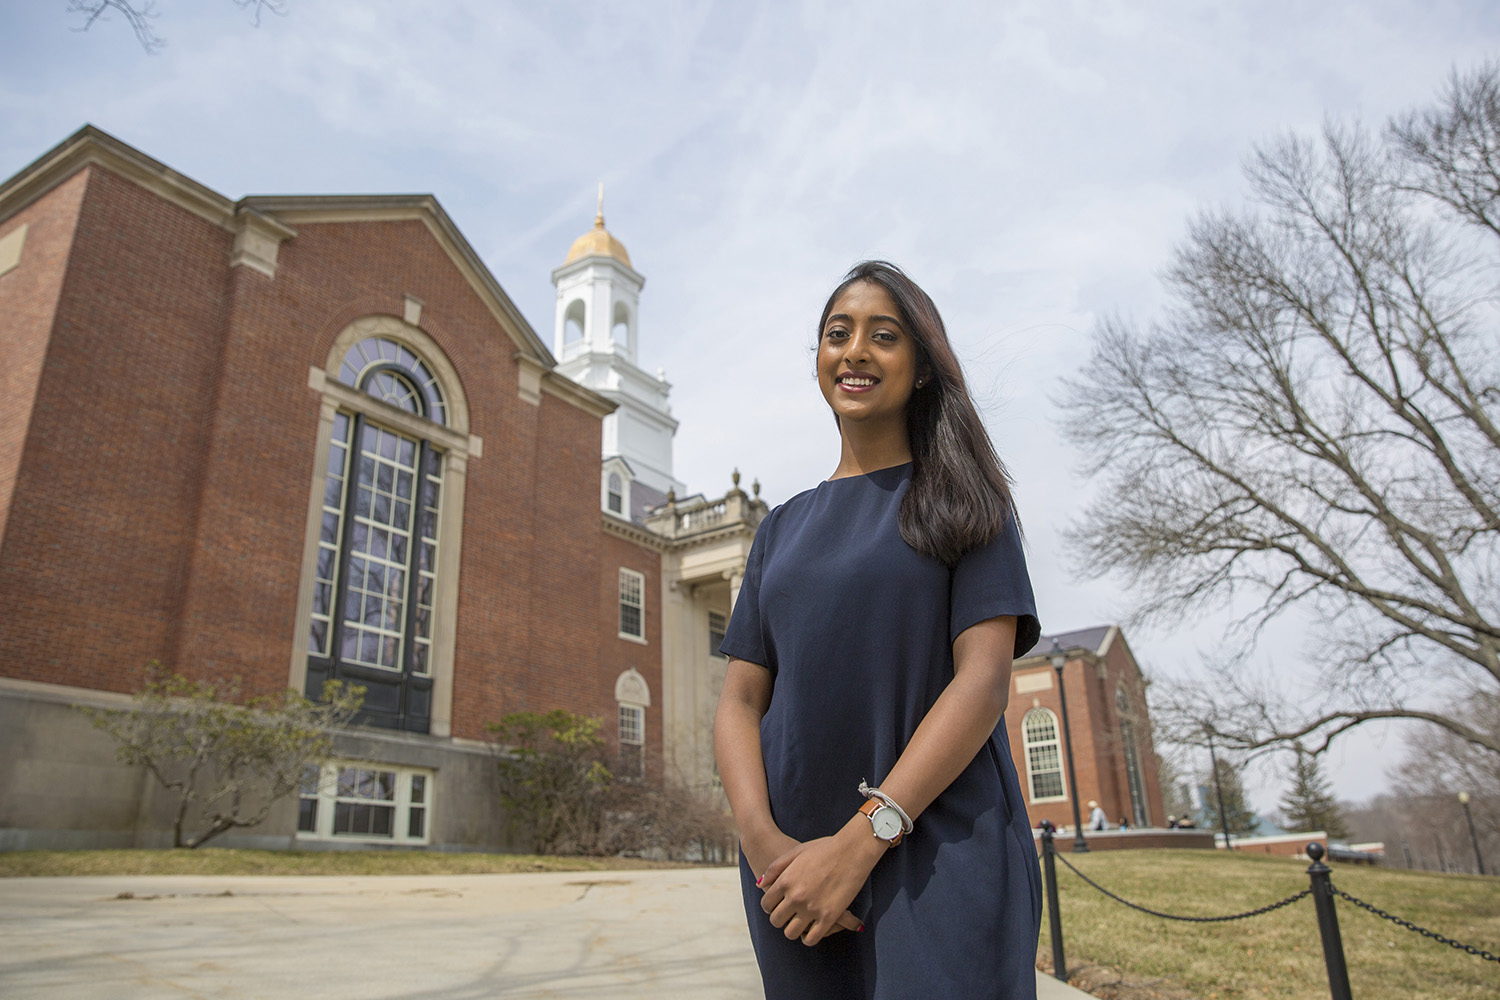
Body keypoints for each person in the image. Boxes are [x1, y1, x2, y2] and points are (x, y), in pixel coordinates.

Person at [714, 261, 1042, 999]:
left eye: (883, 336)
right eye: (838, 333)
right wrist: (762, 841)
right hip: (791, 879)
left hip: (938, 852)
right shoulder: (781, 530)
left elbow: (983, 682)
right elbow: (738, 703)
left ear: (923, 368)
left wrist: (863, 842)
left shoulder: (967, 501)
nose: (855, 350)